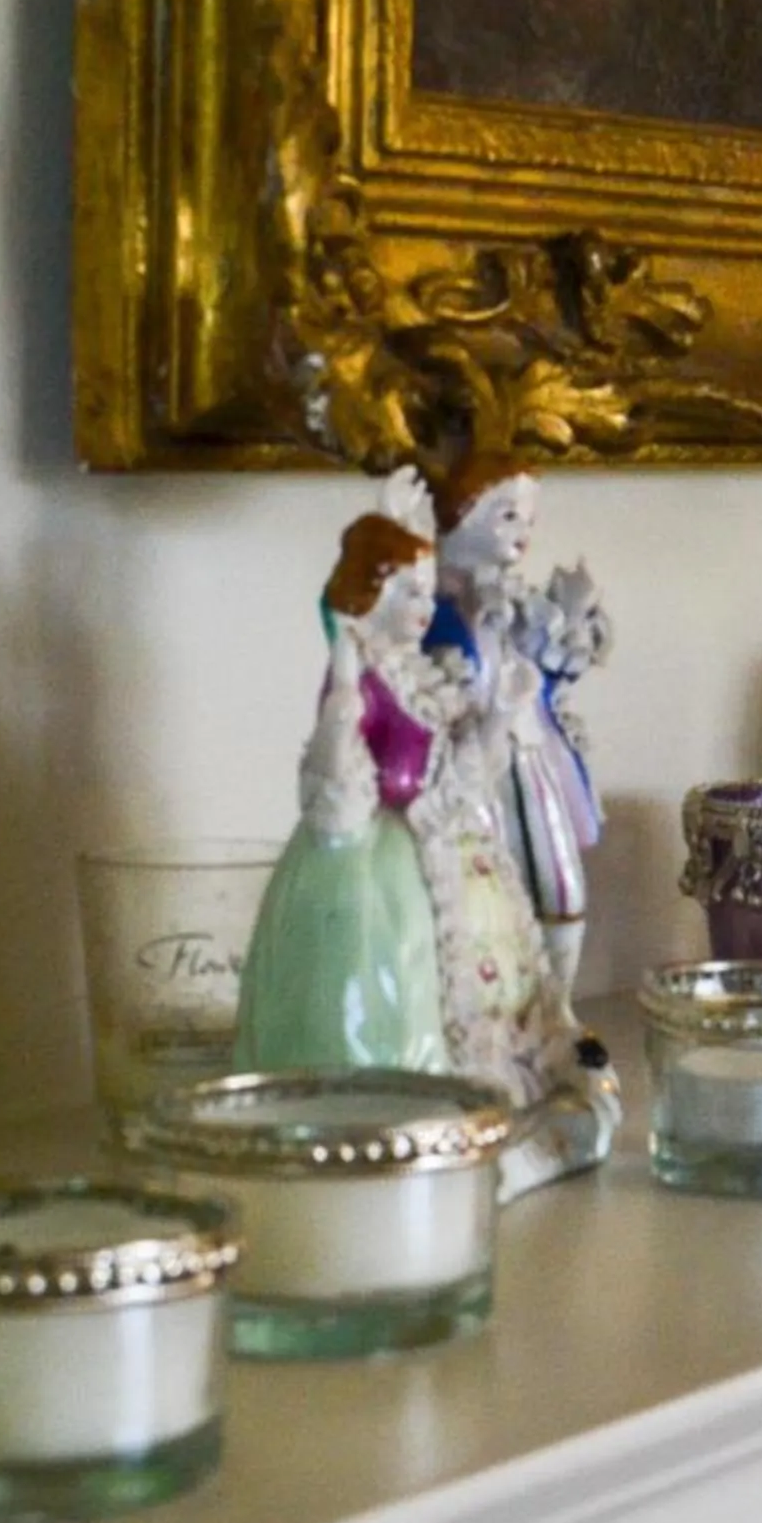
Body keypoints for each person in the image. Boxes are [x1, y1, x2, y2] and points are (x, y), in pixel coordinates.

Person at [233, 511, 452, 1077]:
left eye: (428, 592)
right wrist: (344, 691)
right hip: (358, 859)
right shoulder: (356, 686)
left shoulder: (403, 673)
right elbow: (336, 785)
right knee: (358, 973)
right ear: (371, 594)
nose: (426, 606)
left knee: (417, 976)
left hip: (405, 845)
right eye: (410, 591)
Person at [422, 456, 609, 991]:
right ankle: (493, 1007)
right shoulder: (430, 608)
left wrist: (570, 621)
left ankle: (557, 1005)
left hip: (529, 757)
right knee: (482, 894)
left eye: (528, 519)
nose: (522, 531)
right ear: (459, 516)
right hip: (471, 771)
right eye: (506, 516)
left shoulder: (516, 603)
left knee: (559, 883)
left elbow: (548, 672)